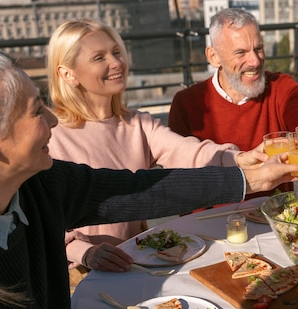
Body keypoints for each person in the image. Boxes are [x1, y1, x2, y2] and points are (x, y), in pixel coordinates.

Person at [0, 49, 298, 309]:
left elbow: (137, 190)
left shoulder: (37, 185)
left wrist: (244, 178)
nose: (51, 120)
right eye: (34, 111)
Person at [46, 19, 268, 275]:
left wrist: (242, 159)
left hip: (132, 262)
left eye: (117, 52)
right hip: (76, 274)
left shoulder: (138, 124)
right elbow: (39, 221)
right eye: (99, 57)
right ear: (67, 74)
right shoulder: (51, 137)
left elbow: (189, 152)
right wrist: (84, 252)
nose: (116, 63)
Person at [167, 7, 298, 199]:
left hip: (272, 216)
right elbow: (179, 176)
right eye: (241, 53)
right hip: (208, 221)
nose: (255, 61)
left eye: (258, 49)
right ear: (213, 57)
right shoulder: (186, 103)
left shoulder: (282, 87)